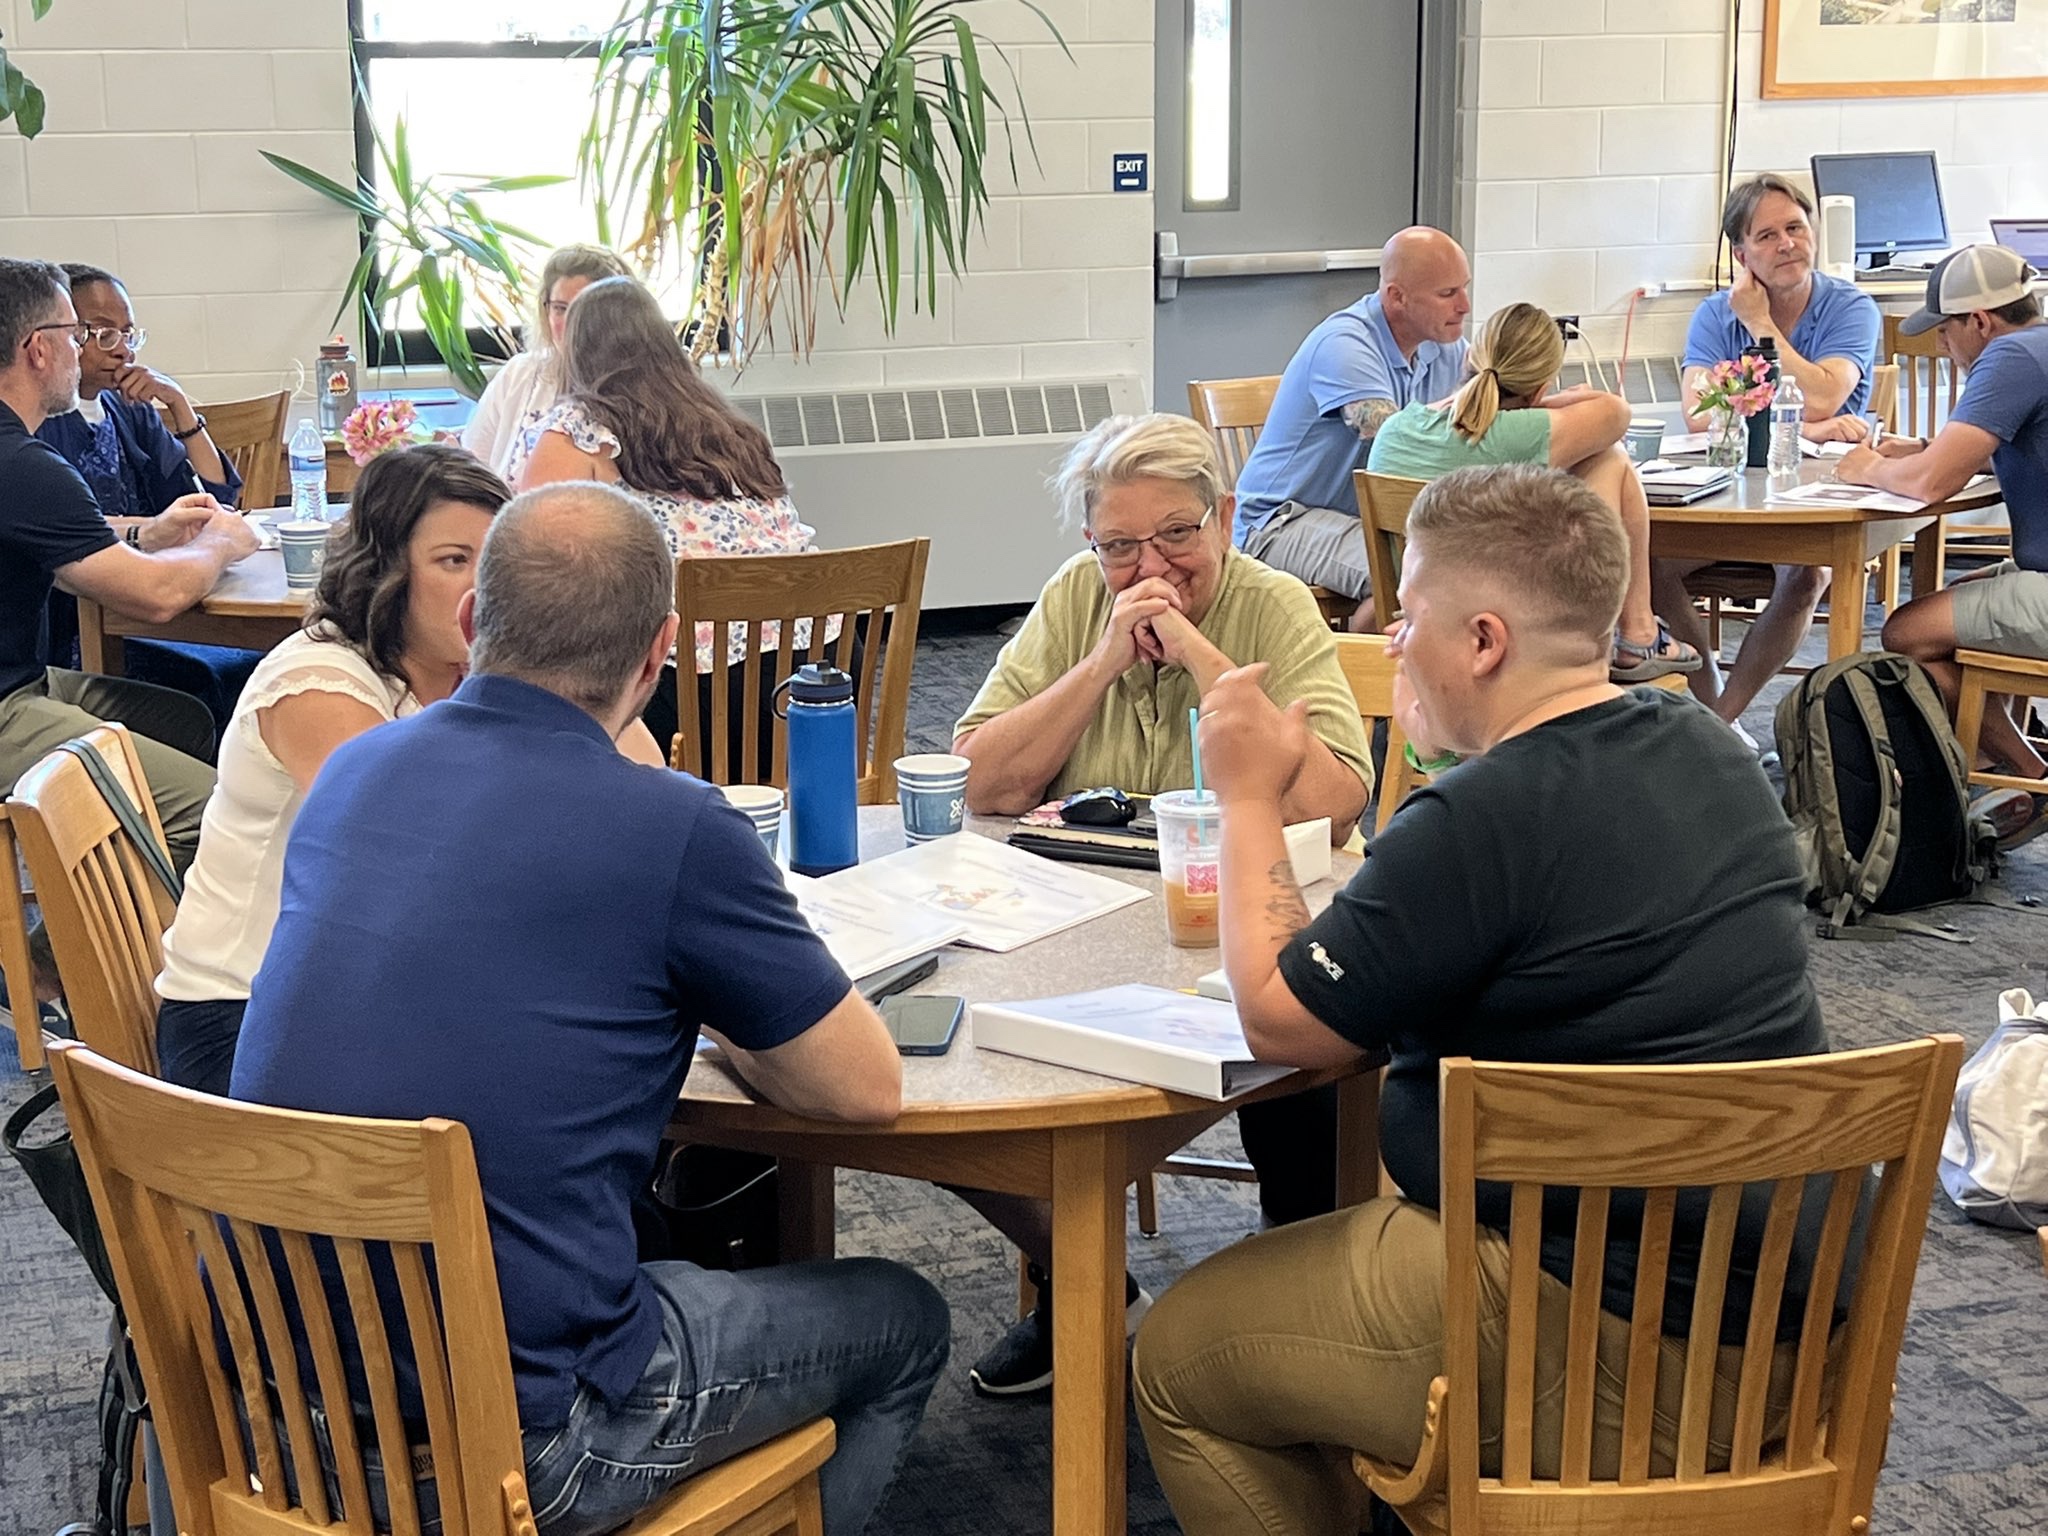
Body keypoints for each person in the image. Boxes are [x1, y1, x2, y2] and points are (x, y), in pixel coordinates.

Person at [230, 481, 949, 1536]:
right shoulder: (674, 829)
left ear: (474, 620)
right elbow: (864, 1089)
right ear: (659, 655)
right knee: (903, 1315)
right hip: (520, 1445)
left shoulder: (355, 771)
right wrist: (714, 999)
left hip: (281, 1412)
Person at [1133, 463, 1839, 1532]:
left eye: (1409, 614)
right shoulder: (1711, 746)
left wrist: (1240, 793)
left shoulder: (1477, 817)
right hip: (1799, 1307)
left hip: (1610, 1330)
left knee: (1180, 1357)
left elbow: (1280, 1021)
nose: (1395, 643)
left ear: (1481, 641)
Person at [951, 411, 1373, 1397]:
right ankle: (1084, 1286)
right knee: (953, 1067)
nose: (1152, 565)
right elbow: (976, 779)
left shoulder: (1270, 606)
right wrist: (1098, 663)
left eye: (1177, 534)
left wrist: (1191, 651)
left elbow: (1337, 800)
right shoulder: (1075, 599)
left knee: (1303, 1065)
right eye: (1119, 546)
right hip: (1079, 930)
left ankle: (1298, 1310)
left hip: (1244, 929)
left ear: (1221, 519)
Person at [155, 448, 573, 1094]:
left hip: (369, 998)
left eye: (496, 563)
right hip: (242, 1029)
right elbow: (415, 868)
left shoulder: (468, 675)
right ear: (386, 573)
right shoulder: (319, 683)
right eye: (453, 561)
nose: (483, 589)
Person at [0, 258, 258, 873]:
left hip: (24, 679)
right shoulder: (23, 464)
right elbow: (158, 597)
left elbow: (67, 555)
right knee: (215, 811)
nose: (87, 349)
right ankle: (76, 960)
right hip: (6, 707)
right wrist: (221, 540)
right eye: (77, 334)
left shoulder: (23, 458)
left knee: (188, 720)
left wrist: (149, 532)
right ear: (39, 349)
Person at [514, 275, 832, 767]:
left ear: (576, 350)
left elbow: (524, 554)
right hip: (812, 670)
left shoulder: (582, 429)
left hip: (694, 686)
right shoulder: (731, 427)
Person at [1652, 175, 1882, 732]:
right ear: (1741, 254)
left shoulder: (1851, 307)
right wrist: (1814, 422)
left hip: (1809, 501)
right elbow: (1699, 415)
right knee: (1640, 558)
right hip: (1723, 498)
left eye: (1796, 228)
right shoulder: (1713, 314)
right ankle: (1708, 706)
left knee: (1808, 574)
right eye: (1768, 235)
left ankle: (1717, 723)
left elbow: (1828, 393)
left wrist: (1760, 327)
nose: (1787, 244)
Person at [1368, 301, 1701, 682]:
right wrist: (1548, 402)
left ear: (1469, 362)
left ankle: (1637, 633)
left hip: (1418, 618)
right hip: (1507, 628)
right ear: (1539, 388)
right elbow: (1615, 412)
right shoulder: (1523, 434)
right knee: (1609, 457)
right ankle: (1637, 632)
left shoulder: (1396, 429)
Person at [1838, 245, 2048, 812]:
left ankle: (2030, 775)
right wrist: (1929, 448)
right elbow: (2002, 447)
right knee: (1958, 599)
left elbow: (1932, 486)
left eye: (1945, 330)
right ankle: (2004, 756)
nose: (1940, 345)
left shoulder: (2010, 359)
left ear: (1979, 321)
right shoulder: (2042, 346)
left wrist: (1870, 467)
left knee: (1906, 633)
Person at [35, 262, 254, 729]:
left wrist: (177, 404)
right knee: (207, 679)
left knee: (254, 664)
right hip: (83, 620)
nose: (122, 351)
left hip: (153, 600)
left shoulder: (126, 408)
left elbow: (215, 497)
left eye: (129, 334)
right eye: (104, 334)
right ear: (65, 336)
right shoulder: (39, 422)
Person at [1232, 227, 1472, 624]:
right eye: (1447, 294)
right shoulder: (1344, 344)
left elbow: (1493, 406)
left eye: (1464, 288)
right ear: (1397, 297)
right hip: (1280, 522)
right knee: (1423, 572)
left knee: (1462, 563)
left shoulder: (1444, 344)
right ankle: (1357, 674)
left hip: (1368, 521)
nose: (1464, 305)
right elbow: (1398, 445)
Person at [464, 243, 632, 480]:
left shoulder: (640, 387)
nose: (572, 323)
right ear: (546, 310)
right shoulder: (519, 373)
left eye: (584, 311)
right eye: (561, 309)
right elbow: (475, 466)